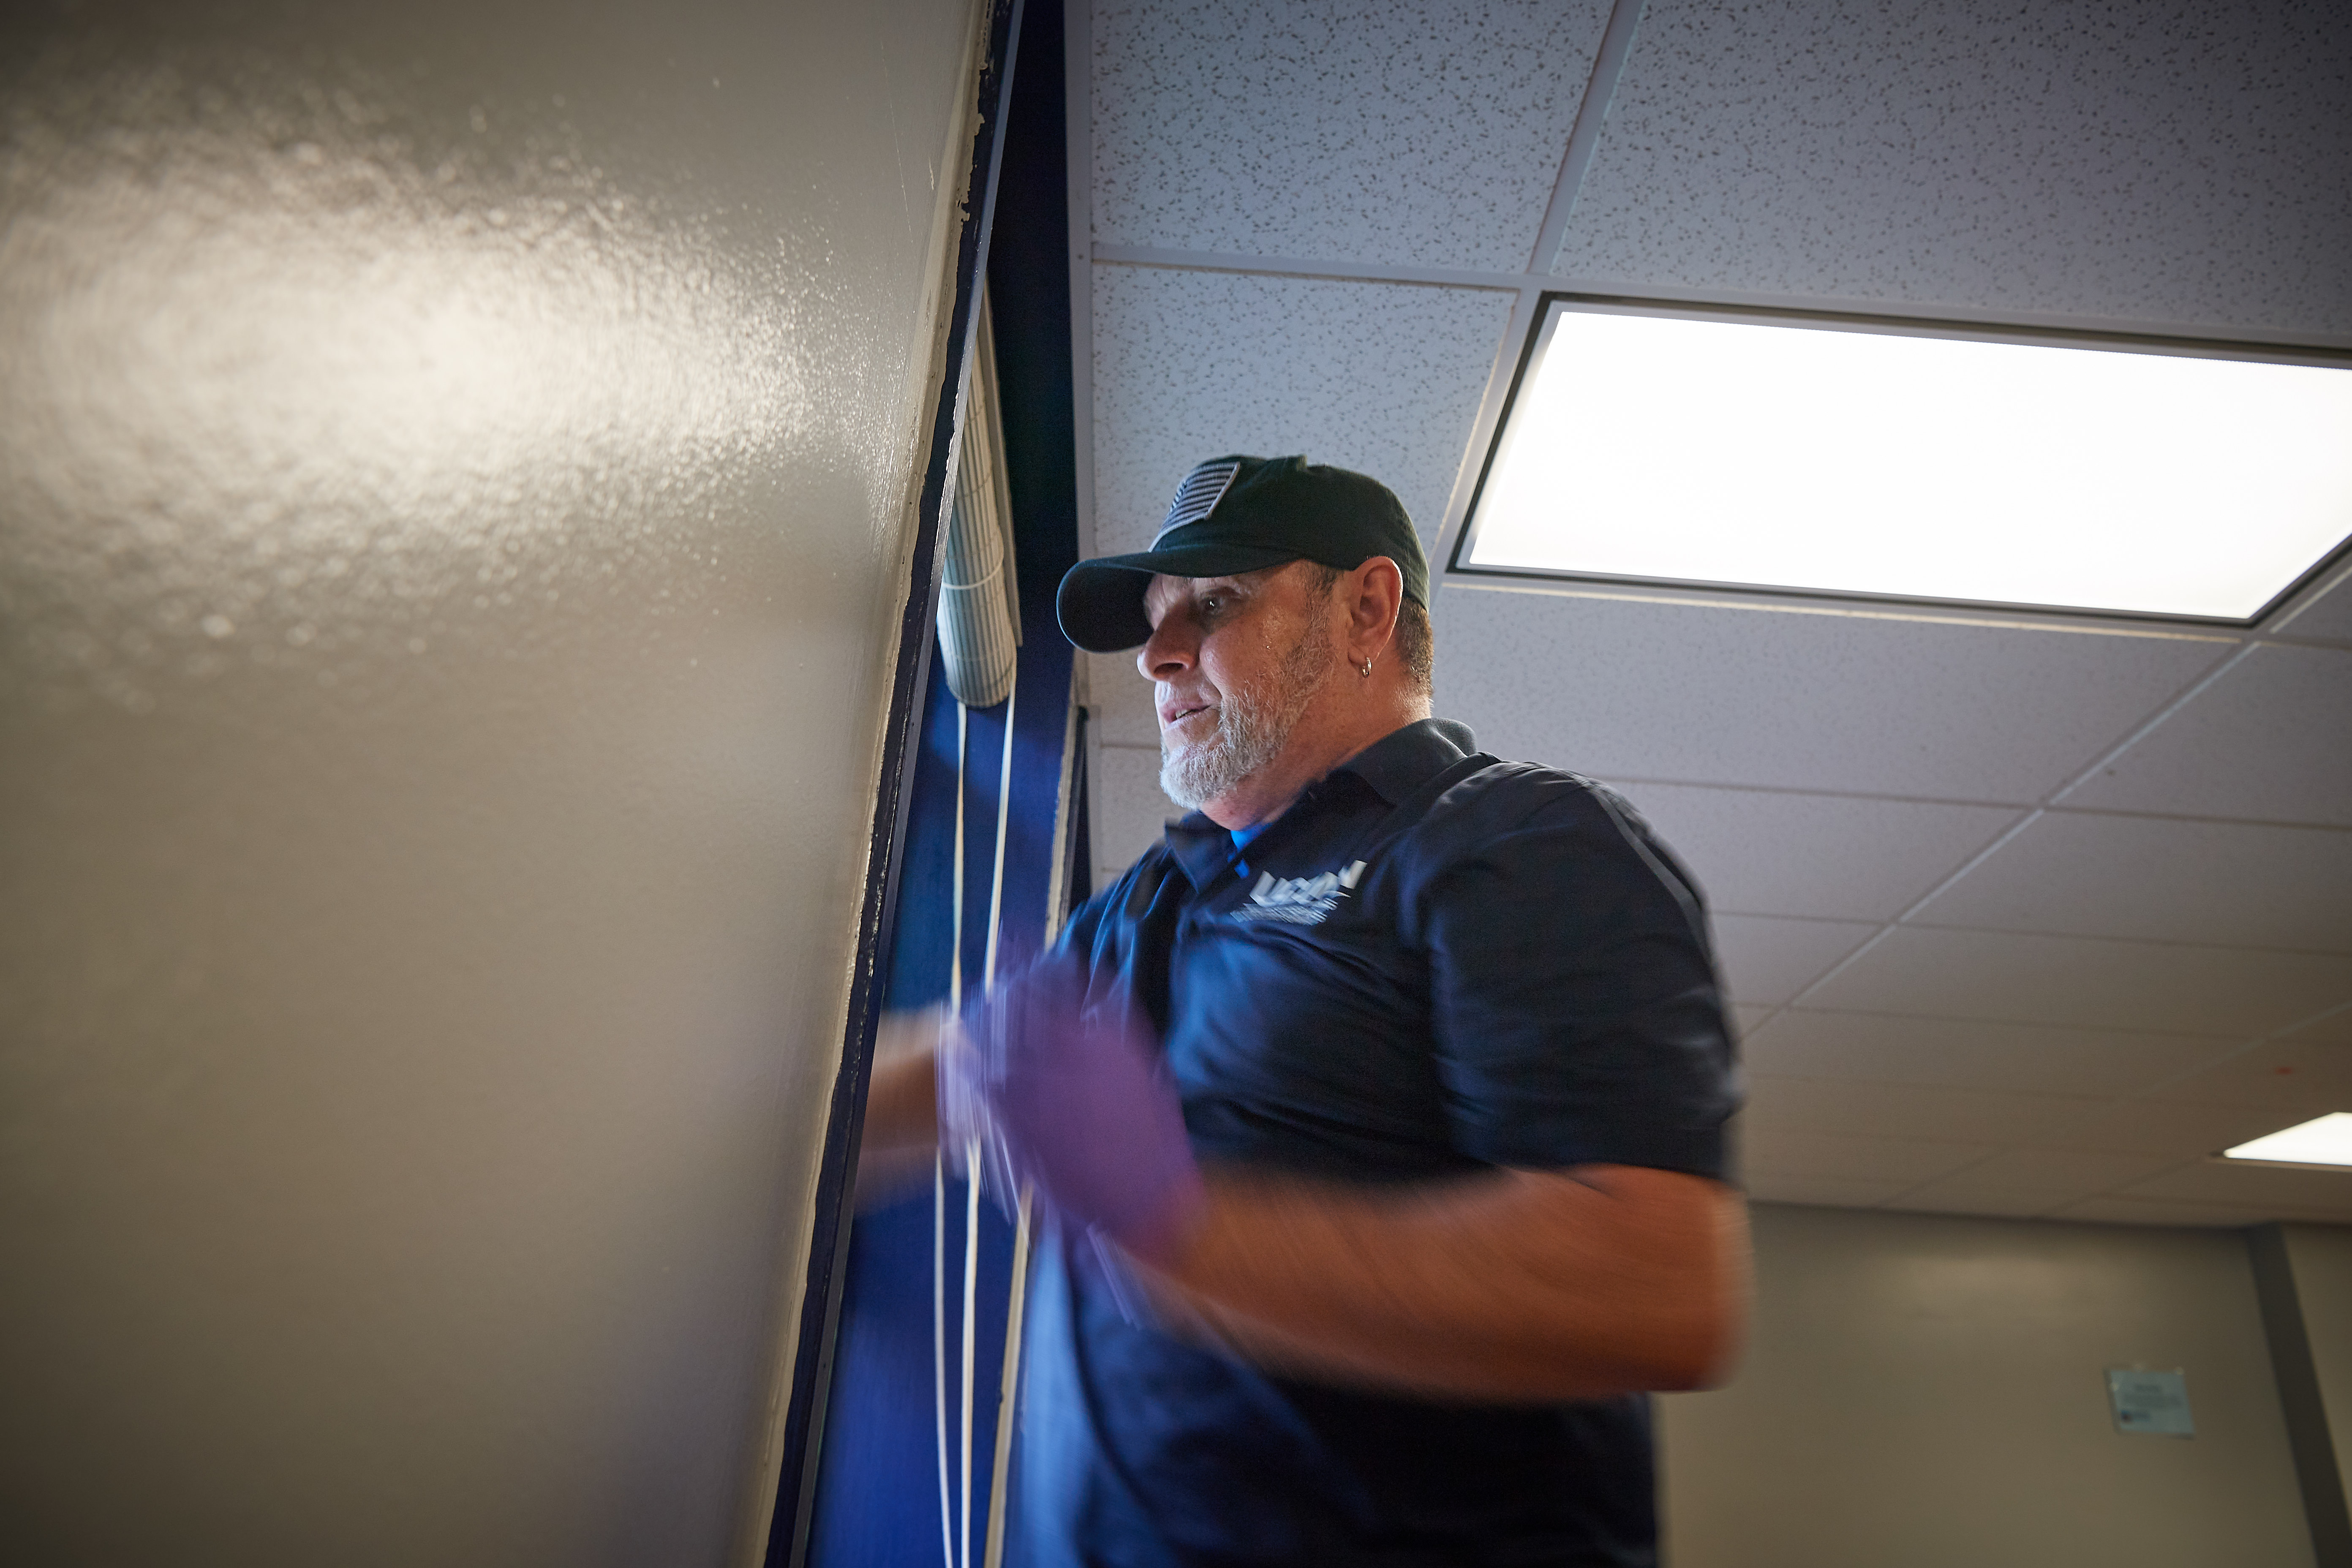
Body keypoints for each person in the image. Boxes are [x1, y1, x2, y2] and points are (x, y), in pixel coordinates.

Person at [863, 455, 1748, 1567]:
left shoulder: (1511, 842)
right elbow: (957, 1072)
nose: (1158, 653)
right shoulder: (1154, 899)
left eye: (1214, 604)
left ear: (1367, 609)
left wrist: (1175, 1225)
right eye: (1153, 622)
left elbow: (1655, 1284)